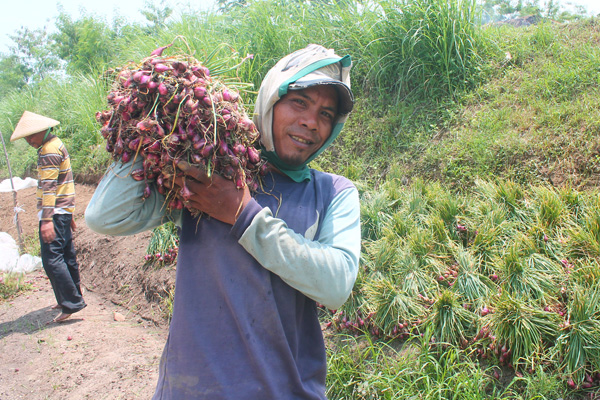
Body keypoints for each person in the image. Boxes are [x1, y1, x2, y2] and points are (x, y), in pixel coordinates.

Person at [85, 44, 361, 399]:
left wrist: (242, 213)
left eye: (326, 114)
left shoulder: (333, 192)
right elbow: (105, 215)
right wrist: (162, 117)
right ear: (270, 102)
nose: (311, 122)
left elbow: (335, 284)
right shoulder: (210, 171)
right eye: (300, 102)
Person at [10, 111, 86, 323]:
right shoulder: (56, 144)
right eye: (26, 137)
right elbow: (66, 181)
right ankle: (70, 298)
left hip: (54, 212)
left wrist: (46, 221)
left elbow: (50, 188)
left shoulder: (48, 151)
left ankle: (71, 303)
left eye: (30, 136)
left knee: (52, 259)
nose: (28, 141)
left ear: (42, 131)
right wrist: (68, 212)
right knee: (66, 256)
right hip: (62, 211)